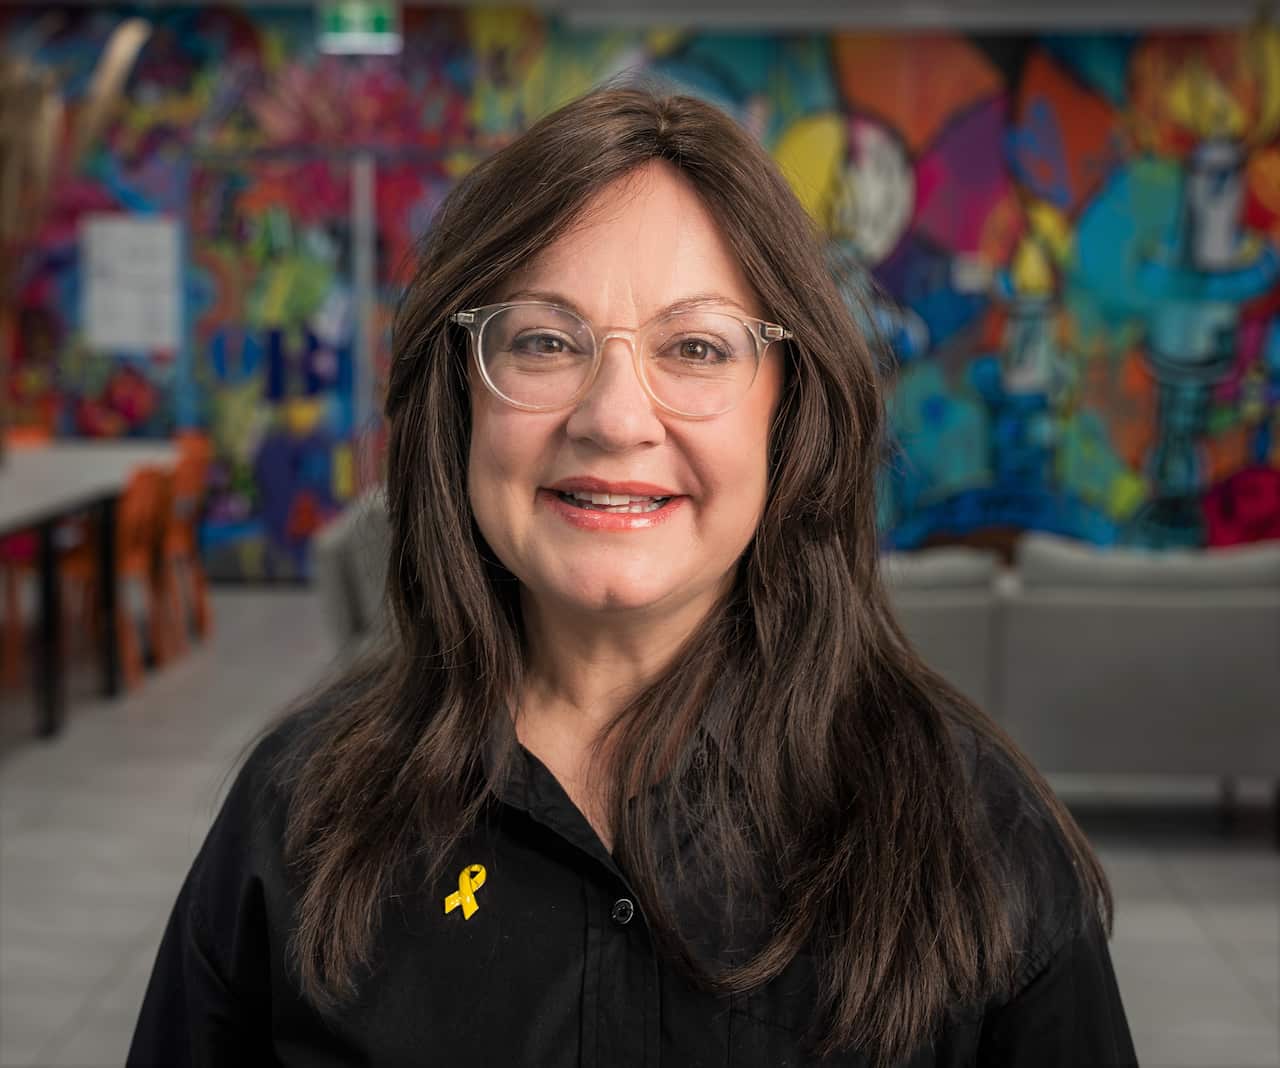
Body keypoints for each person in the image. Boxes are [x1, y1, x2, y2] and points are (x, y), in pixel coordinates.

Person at [127, 81, 1139, 1067]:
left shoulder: (976, 832)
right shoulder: (298, 812)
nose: (613, 419)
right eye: (543, 341)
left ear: (788, 412)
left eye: (694, 347)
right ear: (459, 401)